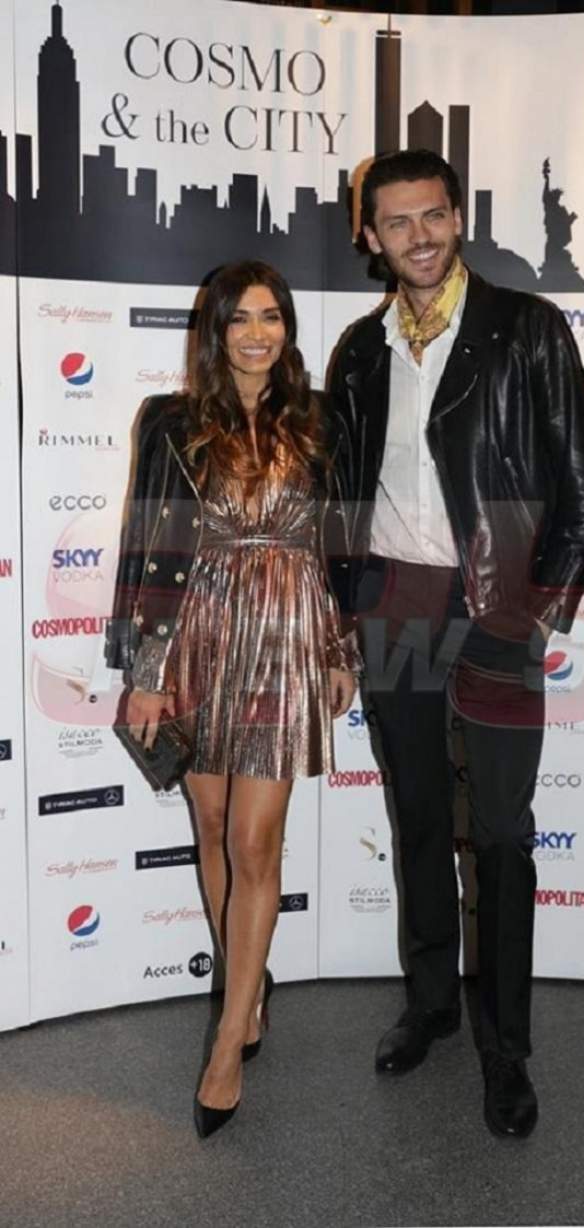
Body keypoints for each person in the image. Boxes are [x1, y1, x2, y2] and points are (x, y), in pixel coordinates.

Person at [325, 149, 584, 1139]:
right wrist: (346, 603)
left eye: (433, 215)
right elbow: (341, 492)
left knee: (498, 832)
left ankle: (505, 1045)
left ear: (458, 216)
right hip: (393, 602)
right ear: (370, 235)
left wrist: (540, 609)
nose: (419, 236)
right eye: (396, 221)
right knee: (415, 815)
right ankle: (431, 1005)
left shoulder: (525, 328)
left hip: (496, 604)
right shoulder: (361, 352)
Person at [105, 261, 359, 1139]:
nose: (258, 333)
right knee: (211, 825)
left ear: (287, 327)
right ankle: (247, 993)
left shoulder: (323, 419)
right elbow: (144, 543)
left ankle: (226, 1042)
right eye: (240, 319)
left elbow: (341, 543)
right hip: (199, 632)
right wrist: (145, 669)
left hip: (287, 632)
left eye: (272, 316)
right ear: (214, 332)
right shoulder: (168, 420)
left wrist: (341, 648)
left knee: (255, 840)